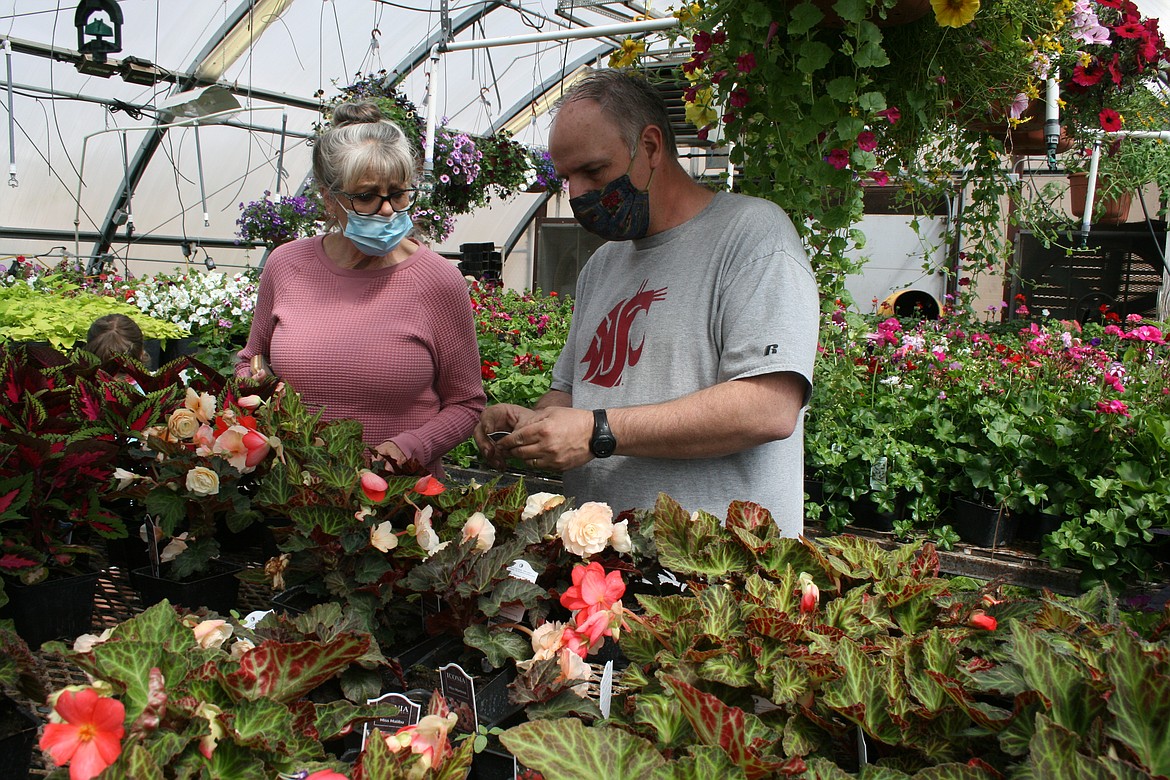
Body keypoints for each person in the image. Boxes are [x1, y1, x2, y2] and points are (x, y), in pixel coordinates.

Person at [474, 69, 819, 535]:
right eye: (567, 177)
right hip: (603, 561)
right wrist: (528, 425)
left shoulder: (753, 237)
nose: (577, 194)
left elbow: (769, 407)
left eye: (594, 171)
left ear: (651, 147)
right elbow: (576, 394)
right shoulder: (604, 264)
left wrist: (598, 432)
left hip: (715, 571)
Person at [236, 100, 485, 477]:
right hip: (295, 490)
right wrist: (257, 384)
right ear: (328, 197)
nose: (387, 210)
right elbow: (249, 361)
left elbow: (466, 404)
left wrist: (410, 448)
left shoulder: (438, 281)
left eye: (399, 193)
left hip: (398, 503)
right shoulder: (286, 266)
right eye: (367, 196)